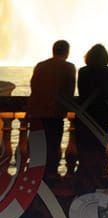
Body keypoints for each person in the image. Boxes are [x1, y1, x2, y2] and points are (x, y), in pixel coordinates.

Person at [76, 44, 108, 189]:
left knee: (85, 149)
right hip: (102, 116)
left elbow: (81, 92)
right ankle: (98, 178)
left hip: (85, 115)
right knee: (99, 148)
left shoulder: (83, 71)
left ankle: (85, 181)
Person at [27, 40, 75, 182]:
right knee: (53, 147)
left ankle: (34, 178)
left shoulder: (41, 66)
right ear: (66, 52)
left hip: (36, 112)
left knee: (36, 148)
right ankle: (50, 178)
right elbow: (69, 92)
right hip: (55, 113)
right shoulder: (69, 67)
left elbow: (33, 86)